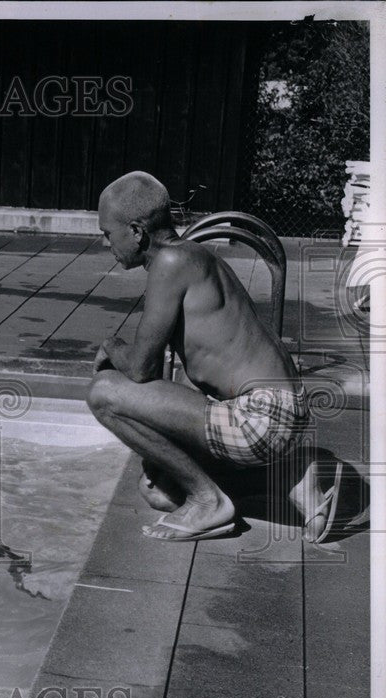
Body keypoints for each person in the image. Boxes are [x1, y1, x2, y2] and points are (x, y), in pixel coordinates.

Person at [86, 171, 337, 542]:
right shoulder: (192, 256)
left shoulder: (171, 263)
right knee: (157, 491)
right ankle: (291, 478)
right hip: (279, 412)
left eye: (108, 233)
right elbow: (166, 377)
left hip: (262, 415)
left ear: (136, 231)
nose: (106, 243)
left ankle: (210, 502)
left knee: (103, 393)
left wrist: (110, 346)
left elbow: (139, 369)